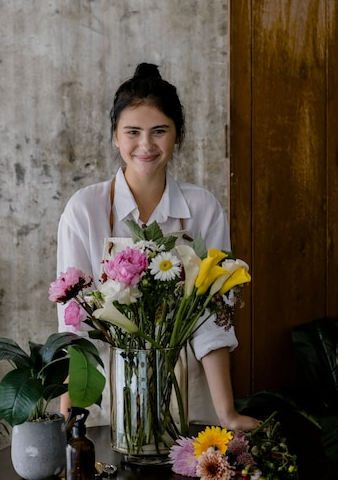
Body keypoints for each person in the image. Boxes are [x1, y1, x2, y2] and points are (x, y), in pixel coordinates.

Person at [56, 62, 260, 430]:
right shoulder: (84, 210)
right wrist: (71, 412)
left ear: (177, 136)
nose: (146, 145)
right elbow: (74, 321)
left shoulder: (202, 208)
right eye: (132, 132)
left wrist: (227, 414)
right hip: (105, 395)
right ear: (115, 136)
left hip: (187, 395)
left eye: (159, 131)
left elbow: (212, 315)